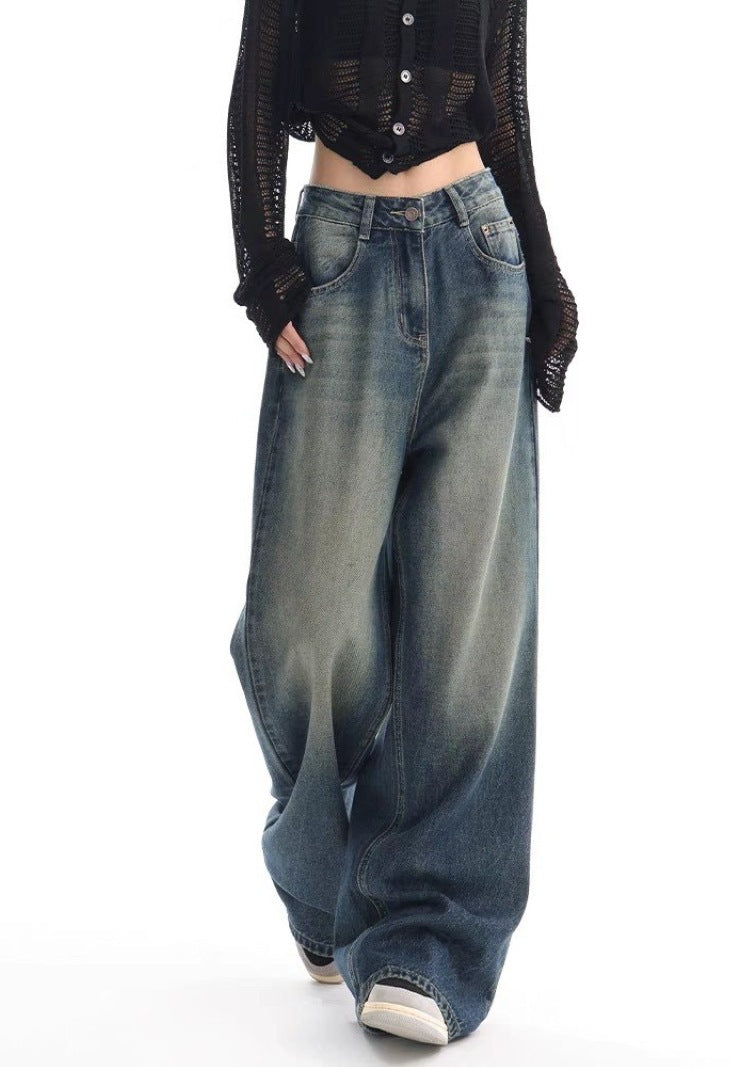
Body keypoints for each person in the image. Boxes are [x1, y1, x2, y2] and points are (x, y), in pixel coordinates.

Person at [226, 0, 579, 1046]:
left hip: (482, 251)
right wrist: (263, 257)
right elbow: (256, 90)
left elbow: (504, 104)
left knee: (469, 626)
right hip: (338, 258)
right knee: (306, 618)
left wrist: (545, 273)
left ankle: (426, 937)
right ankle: (322, 872)